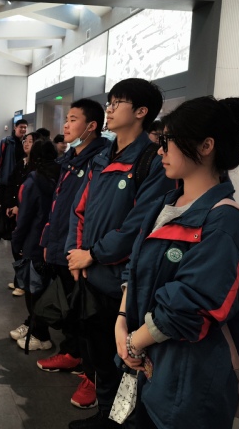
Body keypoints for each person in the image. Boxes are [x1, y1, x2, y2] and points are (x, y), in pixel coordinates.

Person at [116, 96, 239, 429]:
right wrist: (122, 321)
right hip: (151, 369)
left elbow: (190, 306)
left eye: (168, 141)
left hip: (188, 383)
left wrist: (132, 343)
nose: (161, 151)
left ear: (206, 146)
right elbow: (136, 268)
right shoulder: (166, 204)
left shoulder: (223, 221)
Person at [65, 78, 176, 429]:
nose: (109, 109)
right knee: (97, 355)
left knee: (121, 361)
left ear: (141, 112)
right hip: (90, 273)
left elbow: (138, 227)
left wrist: (93, 254)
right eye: (109, 102)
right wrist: (76, 253)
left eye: (117, 103)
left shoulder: (151, 161)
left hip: (119, 283)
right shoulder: (102, 155)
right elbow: (80, 209)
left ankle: (115, 422)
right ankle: (105, 416)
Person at [36, 99, 109, 410]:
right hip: (64, 247)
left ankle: (93, 376)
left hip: (83, 252)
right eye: (66, 118)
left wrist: (81, 251)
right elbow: (60, 208)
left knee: (88, 315)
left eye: (73, 119)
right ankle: (72, 353)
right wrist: (49, 242)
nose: (65, 125)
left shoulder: (100, 160)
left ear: (92, 126)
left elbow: (89, 214)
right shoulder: (70, 159)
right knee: (71, 308)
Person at [9, 139, 59, 348]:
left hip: (33, 242)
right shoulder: (62, 176)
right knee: (43, 288)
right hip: (52, 242)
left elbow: (24, 219)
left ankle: (41, 336)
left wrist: (16, 244)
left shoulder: (33, 181)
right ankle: (33, 325)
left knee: (33, 290)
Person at [6, 131, 42, 296]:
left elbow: (31, 194)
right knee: (16, 245)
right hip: (16, 210)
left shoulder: (38, 167)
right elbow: (12, 184)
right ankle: (18, 280)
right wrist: (10, 204)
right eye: (25, 141)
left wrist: (20, 207)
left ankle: (22, 283)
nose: (26, 144)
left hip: (27, 213)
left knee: (24, 248)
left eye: (30, 141)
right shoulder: (21, 162)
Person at [0, 119, 28, 241]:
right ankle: (1, 230)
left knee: (15, 205)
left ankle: (11, 230)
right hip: (7, 180)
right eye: (21, 127)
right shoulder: (6, 142)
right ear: (15, 128)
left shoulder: (26, 143)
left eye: (25, 127)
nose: (23, 129)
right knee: (4, 205)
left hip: (19, 181)